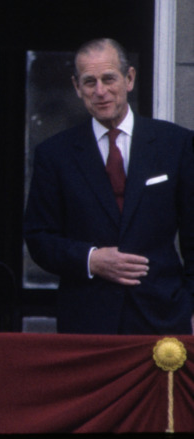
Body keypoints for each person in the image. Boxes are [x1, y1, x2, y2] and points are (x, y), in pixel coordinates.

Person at [24, 38, 194, 335]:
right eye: (90, 82)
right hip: (87, 322)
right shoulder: (55, 155)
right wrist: (92, 259)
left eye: (109, 79)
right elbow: (39, 238)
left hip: (164, 316)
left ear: (129, 79)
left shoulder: (175, 144)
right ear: (77, 87)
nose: (100, 91)